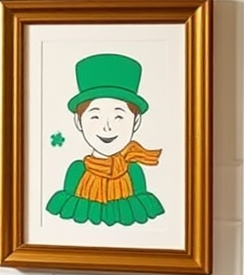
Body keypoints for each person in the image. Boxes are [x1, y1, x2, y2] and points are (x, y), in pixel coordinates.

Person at [46, 53, 164, 225]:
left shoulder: (134, 171)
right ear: (78, 121)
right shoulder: (77, 171)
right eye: (95, 117)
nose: (107, 127)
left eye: (119, 117)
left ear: (136, 121)